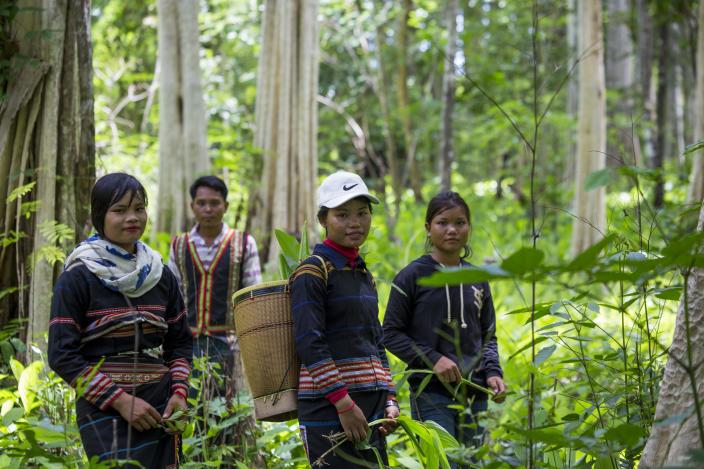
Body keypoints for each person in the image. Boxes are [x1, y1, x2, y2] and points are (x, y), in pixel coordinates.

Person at [48, 173, 192, 468]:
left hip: (160, 407)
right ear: (100, 215)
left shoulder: (160, 275)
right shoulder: (78, 277)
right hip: (104, 411)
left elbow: (180, 343)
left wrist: (179, 394)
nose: (132, 217)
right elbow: (62, 355)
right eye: (120, 210)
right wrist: (122, 401)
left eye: (139, 208)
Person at [383, 191, 506, 465]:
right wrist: (433, 359)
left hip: (475, 395)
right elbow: (390, 333)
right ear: (428, 228)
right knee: (444, 462)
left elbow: (488, 335)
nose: (452, 230)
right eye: (442, 222)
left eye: (460, 223)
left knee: (470, 462)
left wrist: (493, 373)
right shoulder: (412, 276)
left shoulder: (478, 278)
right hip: (431, 393)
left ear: (469, 227)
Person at [291, 171, 399, 468]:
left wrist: (389, 398)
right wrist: (343, 403)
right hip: (330, 409)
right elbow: (309, 342)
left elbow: (375, 341)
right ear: (323, 219)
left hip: (370, 407)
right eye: (343, 215)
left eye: (362, 213)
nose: (355, 223)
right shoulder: (312, 271)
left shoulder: (364, 274)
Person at [167, 175, 262, 400]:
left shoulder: (243, 243)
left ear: (225, 206)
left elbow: (253, 294)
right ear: (192, 207)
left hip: (232, 345)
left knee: (231, 412)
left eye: (214, 203)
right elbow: (172, 297)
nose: (208, 209)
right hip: (188, 346)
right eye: (201, 203)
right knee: (192, 409)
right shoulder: (179, 246)